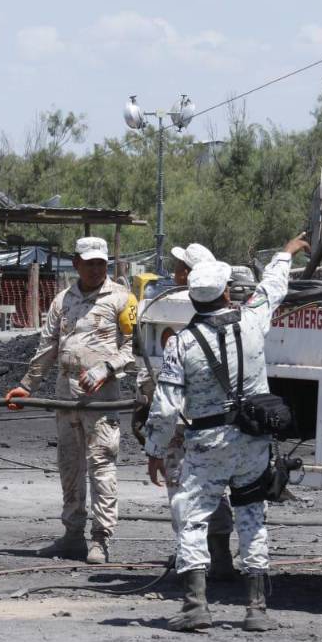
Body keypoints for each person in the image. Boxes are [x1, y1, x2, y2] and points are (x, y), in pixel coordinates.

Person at [144, 233, 309, 632]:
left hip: (206, 446)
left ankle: (195, 605)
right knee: (252, 516)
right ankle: (256, 610)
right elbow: (272, 288)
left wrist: (154, 449)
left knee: (192, 517)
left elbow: (166, 406)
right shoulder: (252, 320)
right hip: (253, 442)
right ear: (225, 294)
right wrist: (285, 254)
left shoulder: (181, 345)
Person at [5, 236, 138, 564]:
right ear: (76, 263)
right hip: (66, 401)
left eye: (100, 264)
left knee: (101, 465)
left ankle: (101, 538)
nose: (95, 269)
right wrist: (27, 385)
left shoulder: (122, 299)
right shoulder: (62, 301)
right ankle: (73, 534)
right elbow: (48, 345)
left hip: (102, 403)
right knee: (69, 467)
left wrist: (107, 368)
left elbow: (134, 348)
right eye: (89, 263)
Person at [143, 242, 237, 581]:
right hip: (220, 426)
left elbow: (168, 395)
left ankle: (195, 568)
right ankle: (220, 558)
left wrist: (154, 445)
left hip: (185, 426)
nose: (175, 272)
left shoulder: (181, 314)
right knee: (216, 492)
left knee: (185, 495)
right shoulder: (232, 318)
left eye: (181, 267)